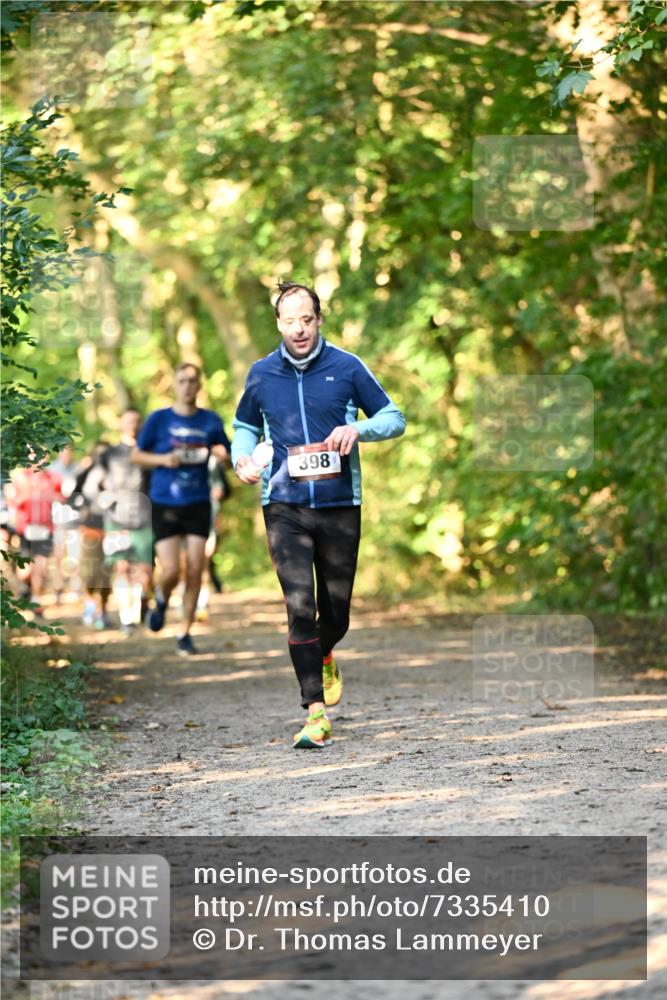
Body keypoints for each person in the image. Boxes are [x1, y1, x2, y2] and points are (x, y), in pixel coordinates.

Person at [232, 282, 406, 749]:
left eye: (306, 319)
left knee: (337, 614)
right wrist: (242, 459)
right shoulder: (262, 373)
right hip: (283, 505)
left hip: (338, 506)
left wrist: (359, 428)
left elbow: (395, 417)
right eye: (290, 321)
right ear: (279, 324)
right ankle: (315, 712)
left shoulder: (347, 367)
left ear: (319, 319)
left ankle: (325, 651)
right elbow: (244, 427)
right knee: (298, 606)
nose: (299, 329)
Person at [133, 363, 231, 656]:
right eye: (182, 381)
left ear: (199, 386)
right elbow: (136, 455)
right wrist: (164, 460)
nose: (187, 386)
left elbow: (227, 460)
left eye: (192, 381)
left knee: (195, 570)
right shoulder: (159, 419)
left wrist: (222, 456)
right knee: (172, 569)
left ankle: (184, 633)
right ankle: (161, 599)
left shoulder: (211, 421)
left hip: (198, 502)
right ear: (174, 385)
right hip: (165, 501)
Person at [99, 408, 153, 633]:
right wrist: (101, 497)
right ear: (120, 424)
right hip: (116, 519)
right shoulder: (108, 455)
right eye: (128, 421)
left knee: (145, 571)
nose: (132, 425)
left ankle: (142, 601)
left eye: (136, 421)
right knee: (121, 568)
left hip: (144, 517)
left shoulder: (149, 452)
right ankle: (126, 618)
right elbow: (95, 483)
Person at [72, 442, 113, 629]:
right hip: (90, 530)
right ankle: (89, 607)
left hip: (112, 529)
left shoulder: (116, 473)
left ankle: (102, 611)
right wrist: (84, 509)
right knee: (89, 572)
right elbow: (72, 498)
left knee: (106, 573)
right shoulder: (86, 473)